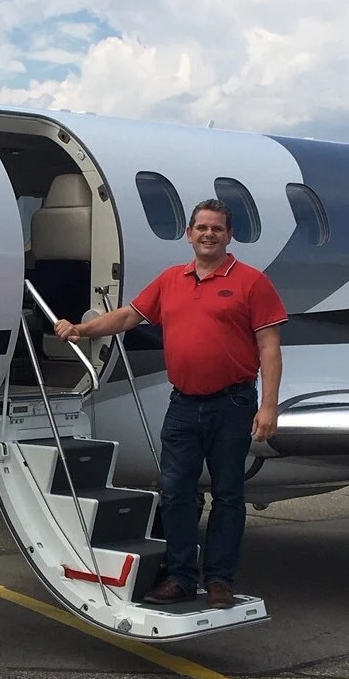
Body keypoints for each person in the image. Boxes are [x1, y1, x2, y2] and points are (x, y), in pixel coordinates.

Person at [54, 198, 285, 608]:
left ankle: (219, 580)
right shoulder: (170, 280)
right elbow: (128, 317)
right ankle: (180, 576)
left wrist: (268, 406)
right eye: (202, 228)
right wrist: (82, 329)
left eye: (217, 228)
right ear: (189, 234)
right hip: (183, 404)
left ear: (229, 236)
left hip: (232, 404)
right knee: (176, 491)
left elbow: (269, 347)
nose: (208, 234)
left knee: (228, 494)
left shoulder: (252, 282)